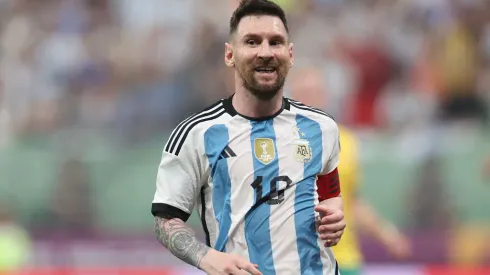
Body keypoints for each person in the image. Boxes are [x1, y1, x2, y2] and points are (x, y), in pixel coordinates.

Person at [151, 1, 345, 274]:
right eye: (252, 42)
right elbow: (165, 219)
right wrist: (207, 258)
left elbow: (330, 194)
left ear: (290, 54)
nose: (265, 52)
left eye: (275, 42)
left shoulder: (321, 127)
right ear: (229, 54)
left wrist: (334, 215)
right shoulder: (196, 134)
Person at [290, 67, 412, 275]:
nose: (310, 100)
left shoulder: (345, 140)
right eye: (303, 93)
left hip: (344, 259)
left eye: (315, 92)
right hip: (297, 261)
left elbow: (352, 200)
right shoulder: (281, 142)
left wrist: (386, 234)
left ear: (325, 96)